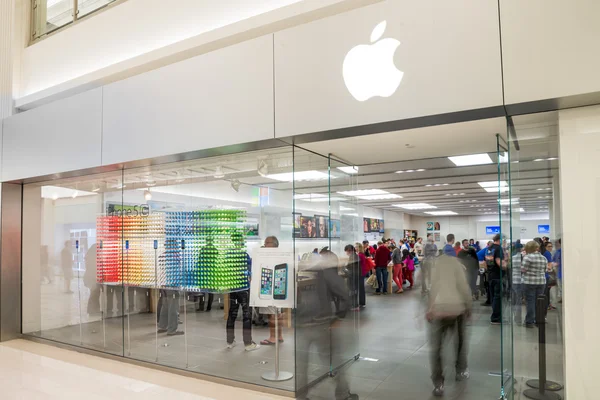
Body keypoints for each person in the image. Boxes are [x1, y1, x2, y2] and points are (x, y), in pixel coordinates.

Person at [296, 249, 357, 400]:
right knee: (334, 359)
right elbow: (344, 295)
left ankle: (301, 396)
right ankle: (343, 394)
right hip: (321, 323)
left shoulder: (300, 271)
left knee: (301, 365)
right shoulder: (326, 273)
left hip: (302, 324)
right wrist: (338, 318)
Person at [427, 254, 472, 397]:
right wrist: (469, 306)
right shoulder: (457, 266)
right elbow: (464, 287)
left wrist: (430, 308)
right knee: (459, 342)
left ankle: (438, 383)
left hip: (439, 310)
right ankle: (460, 370)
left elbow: (432, 287)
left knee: (437, 348)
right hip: (456, 309)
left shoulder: (435, 266)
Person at [226, 234, 259, 352]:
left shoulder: (228, 256)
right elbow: (250, 272)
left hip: (233, 288)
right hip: (244, 289)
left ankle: (230, 342)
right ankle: (248, 343)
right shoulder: (244, 256)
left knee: (232, 314)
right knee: (246, 315)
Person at [260, 236, 286, 346]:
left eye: (267, 243)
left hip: (269, 288)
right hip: (279, 288)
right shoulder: (281, 255)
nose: (265, 244)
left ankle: (272, 337)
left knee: (271, 315)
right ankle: (279, 336)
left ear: (274, 244)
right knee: (278, 313)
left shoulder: (269, 256)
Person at [521, 240, 549, 328]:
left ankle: (529, 321)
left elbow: (523, 269)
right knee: (539, 302)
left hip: (529, 282)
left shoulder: (527, 257)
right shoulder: (544, 258)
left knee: (530, 301)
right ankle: (539, 320)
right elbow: (546, 270)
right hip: (541, 282)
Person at [485, 234, 505, 324]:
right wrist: (507, 265)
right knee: (498, 297)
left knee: (494, 297)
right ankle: (496, 318)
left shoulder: (489, 248)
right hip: (497, 276)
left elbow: (487, 261)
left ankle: (495, 316)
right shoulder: (498, 248)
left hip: (490, 275)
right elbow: (499, 262)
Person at [345, 245, 361, 311]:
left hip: (353, 276)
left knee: (352, 291)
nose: (346, 253)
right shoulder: (355, 255)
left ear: (349, 250)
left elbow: (350, 267)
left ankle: (354, 306)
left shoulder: (353, 257)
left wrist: (344, 269)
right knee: (354, 291)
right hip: (356, 276)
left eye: (346, 251)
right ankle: (355, 305)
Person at [512, 245, 525, 325]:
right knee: (519, 299)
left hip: (514, 280)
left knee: (515, 298)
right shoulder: (523, 258)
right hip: (521, 280)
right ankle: (518, 318)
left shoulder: (512, 258)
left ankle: (515, 316)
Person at [477, 241, 493, 305]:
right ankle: (482, 288)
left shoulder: (487, 249)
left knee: (482, 275)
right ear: (488, 244)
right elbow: (487, 259)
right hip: (480, 260)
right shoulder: (488, 249)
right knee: (483, 273)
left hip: (479, 260)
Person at [355, 243, 369, 308]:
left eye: (356, 247)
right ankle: (362, 302)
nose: (355, 248)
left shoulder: (359, 255)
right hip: (362, 272)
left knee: (360, 288)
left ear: (358, 248)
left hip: (360, 273)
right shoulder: (361, 254)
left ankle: (361, 302)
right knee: (361, 288)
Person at [553, 239, 562, 304]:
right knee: (560, 287)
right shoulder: (557, 252)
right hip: (559, 273)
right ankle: (562, 298)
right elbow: (554, 260)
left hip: (562, 273)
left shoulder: (561, 252)